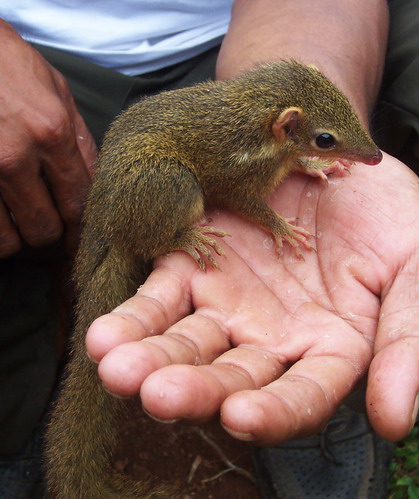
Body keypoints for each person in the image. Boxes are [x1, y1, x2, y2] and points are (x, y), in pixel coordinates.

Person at [0, 0, 417, 497]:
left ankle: (315, 416)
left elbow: (288, 144)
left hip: (243, 39)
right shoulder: (253, 148)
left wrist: (312, 158)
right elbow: (237, 191)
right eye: (326, 142)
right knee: (178, 193)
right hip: (49, 72)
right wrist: (276, 226)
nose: (361, 158)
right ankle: (19, 416)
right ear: (284, 128)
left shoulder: (274, 134)